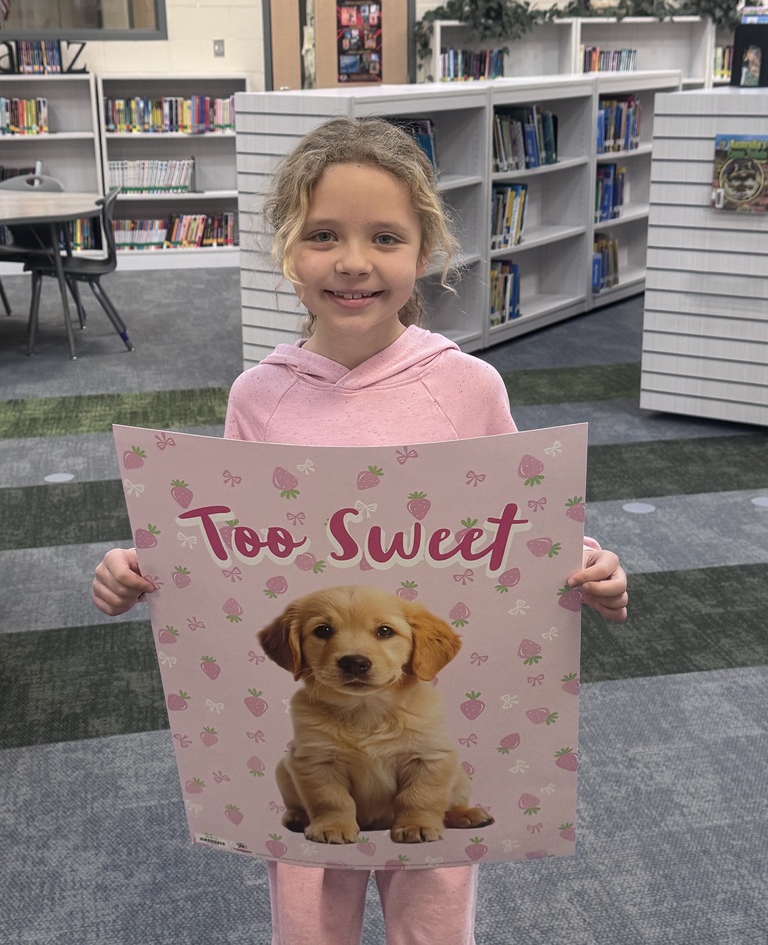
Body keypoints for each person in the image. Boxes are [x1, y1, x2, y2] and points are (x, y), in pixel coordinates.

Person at [93, 117, 628, 945]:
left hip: (426, 732)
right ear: (288, 251)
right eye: (323, 236)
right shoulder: (258, 397)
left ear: (424, 252)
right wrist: (140, 567)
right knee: (310, 927)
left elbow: (523, 529)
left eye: (385, 237)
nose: (352, 261)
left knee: (432, 924)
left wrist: (590, 566)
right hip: (316, 745)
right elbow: (218, 542)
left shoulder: (466, 387)